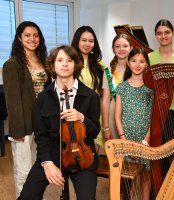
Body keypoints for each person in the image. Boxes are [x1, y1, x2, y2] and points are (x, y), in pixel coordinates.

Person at [18, 45, 101, 200]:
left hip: (83, 157)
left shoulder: (91, 96)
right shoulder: (44, 97)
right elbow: (41, 135)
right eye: (60, 60)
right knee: (26, 196)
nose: (64, 64)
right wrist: (47, 163)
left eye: (69, 60)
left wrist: (82, 118)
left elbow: (95, 131)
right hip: (53, 154)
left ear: (75, 65)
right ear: (53, 65)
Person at [2, 21, 50, 198]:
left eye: (35, 35)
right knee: (24, 171)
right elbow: (12, 101)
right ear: (19, 38)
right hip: (24, 125)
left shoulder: (44, 61)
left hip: (43, 123)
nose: (32, 39)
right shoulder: (12, 64)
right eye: (27, 35)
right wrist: (17, 130)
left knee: (40, 168)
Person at [115, 47, 153, 200]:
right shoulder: (122, 87)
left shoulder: (151, 88)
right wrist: (124, 141)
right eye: (134, 61)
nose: (138, 65)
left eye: (142, 61)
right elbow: (117, 117)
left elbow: (153, 118)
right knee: (129, 177)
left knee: (145, 175)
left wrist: (145, 142)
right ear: (128, 63)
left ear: (146, 65)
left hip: (146, 139)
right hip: (127, 139)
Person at [148, 19, 174, 143]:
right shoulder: (149, 57)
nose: (163, 36)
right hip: (156, 110)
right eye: (159, 33)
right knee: (158, 150)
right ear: (156, 35)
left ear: (173, 33)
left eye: (167, 32)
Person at [71, 25, 106, 154]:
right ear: (77, 41)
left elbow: (104, 91)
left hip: (95, 113)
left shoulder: (100, 63)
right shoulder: (70, 62)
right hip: (76, 111)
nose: (87, 44)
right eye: (84, 40)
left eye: (91, 41)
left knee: (93, 153)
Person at [102, 34, 133, 142]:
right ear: (113, 49)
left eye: (125, 46)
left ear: (131, 48)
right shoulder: (108, 72)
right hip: (113, 115)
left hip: (133, 116)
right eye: (117, 46)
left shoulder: (137, 70)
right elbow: (105, 100)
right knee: (116, 154)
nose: (121, 49)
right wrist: (105, 127)